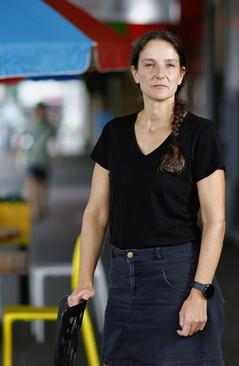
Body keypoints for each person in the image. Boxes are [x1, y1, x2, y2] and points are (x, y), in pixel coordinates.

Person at [69, 30, 226, 365]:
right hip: (124, 278)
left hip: (177, 278)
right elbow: (96, 213)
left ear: (181, 74)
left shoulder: (200, 134)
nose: (160, 73)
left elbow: (215, 221)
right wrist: (85, 278)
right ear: (135, 73)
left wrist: (200, 291)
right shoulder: (114, 134)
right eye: (150, 64)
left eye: (170, 65)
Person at [23, 102, 56, 219]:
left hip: (44, 161)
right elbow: (21, 139)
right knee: (31, 185)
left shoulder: (49, 126)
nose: (40, 113)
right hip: (32, 159)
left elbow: (54, 141)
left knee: (42, 187)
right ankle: (36, 209)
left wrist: (57, 154)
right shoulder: (30, 125)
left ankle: (42, 205)